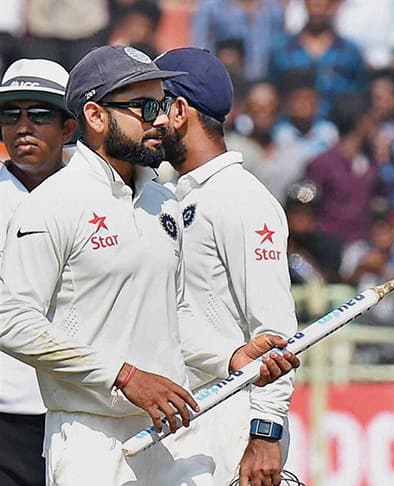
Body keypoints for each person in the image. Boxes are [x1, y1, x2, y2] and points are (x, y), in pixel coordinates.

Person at [0, 45, 299, 486]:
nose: (161, 118)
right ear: (96, 116)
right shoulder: (52, 203)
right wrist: (123, 377)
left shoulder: (164, 201)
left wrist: (228, 357)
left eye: (162, 103)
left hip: (171, 434)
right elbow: (11, 319)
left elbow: (173, 316)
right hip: (91, 439)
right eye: (145, 106)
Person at [155, 47, 298, 486]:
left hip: (233, 429)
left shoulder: (243, 199)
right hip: (187, 422)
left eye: (151, 105)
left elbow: (275, 331)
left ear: (179, 111)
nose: (146, 121)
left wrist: (266, 433)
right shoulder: (174, 195)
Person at [0, 58, 77, 486]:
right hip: (4, 416)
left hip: (76, 409)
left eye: (40, 114)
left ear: (68, 128)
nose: (22, 127)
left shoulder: (96, 200)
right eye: (11, 114)